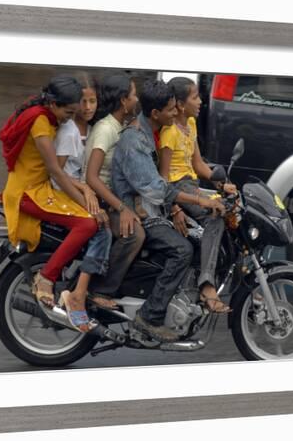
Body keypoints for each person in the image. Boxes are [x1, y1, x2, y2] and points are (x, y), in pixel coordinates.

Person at [111, 79, 227, 343]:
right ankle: (149, 317)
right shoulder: (136, 141)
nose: (176, 114)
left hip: (152, 207)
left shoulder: (153, 130)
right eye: (171, 110)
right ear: (156, 114)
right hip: (139, 211)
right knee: (181, 250)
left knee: (196, 239)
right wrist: (199, 202)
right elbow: (157, 188)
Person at [0, 76, 106, 332]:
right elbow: (56, 172)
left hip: (37, 186)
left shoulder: (45, 114)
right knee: (87, 224)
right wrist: (88, 205)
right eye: (68, 113)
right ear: (54, 104)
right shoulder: (41, 124)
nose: (70, 118)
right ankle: (46, 277)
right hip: (28, 192)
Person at [159, 76, 237, 313]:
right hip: (177, 189)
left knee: (234, 206)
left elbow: (198, 165)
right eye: (195, 97)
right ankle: (206, 284)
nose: (201, 101)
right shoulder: (169, 132)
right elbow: (162, 178)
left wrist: (222, 185)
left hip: (190, 183)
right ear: (181, 105)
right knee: (216, 213)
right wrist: (174, 207)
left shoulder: (190, 125)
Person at [51, 74, 114, 309]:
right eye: (83, 101)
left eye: (93, 101)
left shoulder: (93, 129)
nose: (88, 107)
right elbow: (57, 172)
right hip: (64, 190)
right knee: (102, 230)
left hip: (80, 188)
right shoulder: (69, 132)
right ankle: (82, 291)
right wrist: (85, 188)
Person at [83, 73, 145, 297]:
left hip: (113, 198)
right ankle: (101, 291)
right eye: (133, 95)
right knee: (134, 234)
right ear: (123, 101)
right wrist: (122, 208)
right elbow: (91, 177)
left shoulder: (122, 126)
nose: (136, 99)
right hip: (97, 200)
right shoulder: (105, 129)